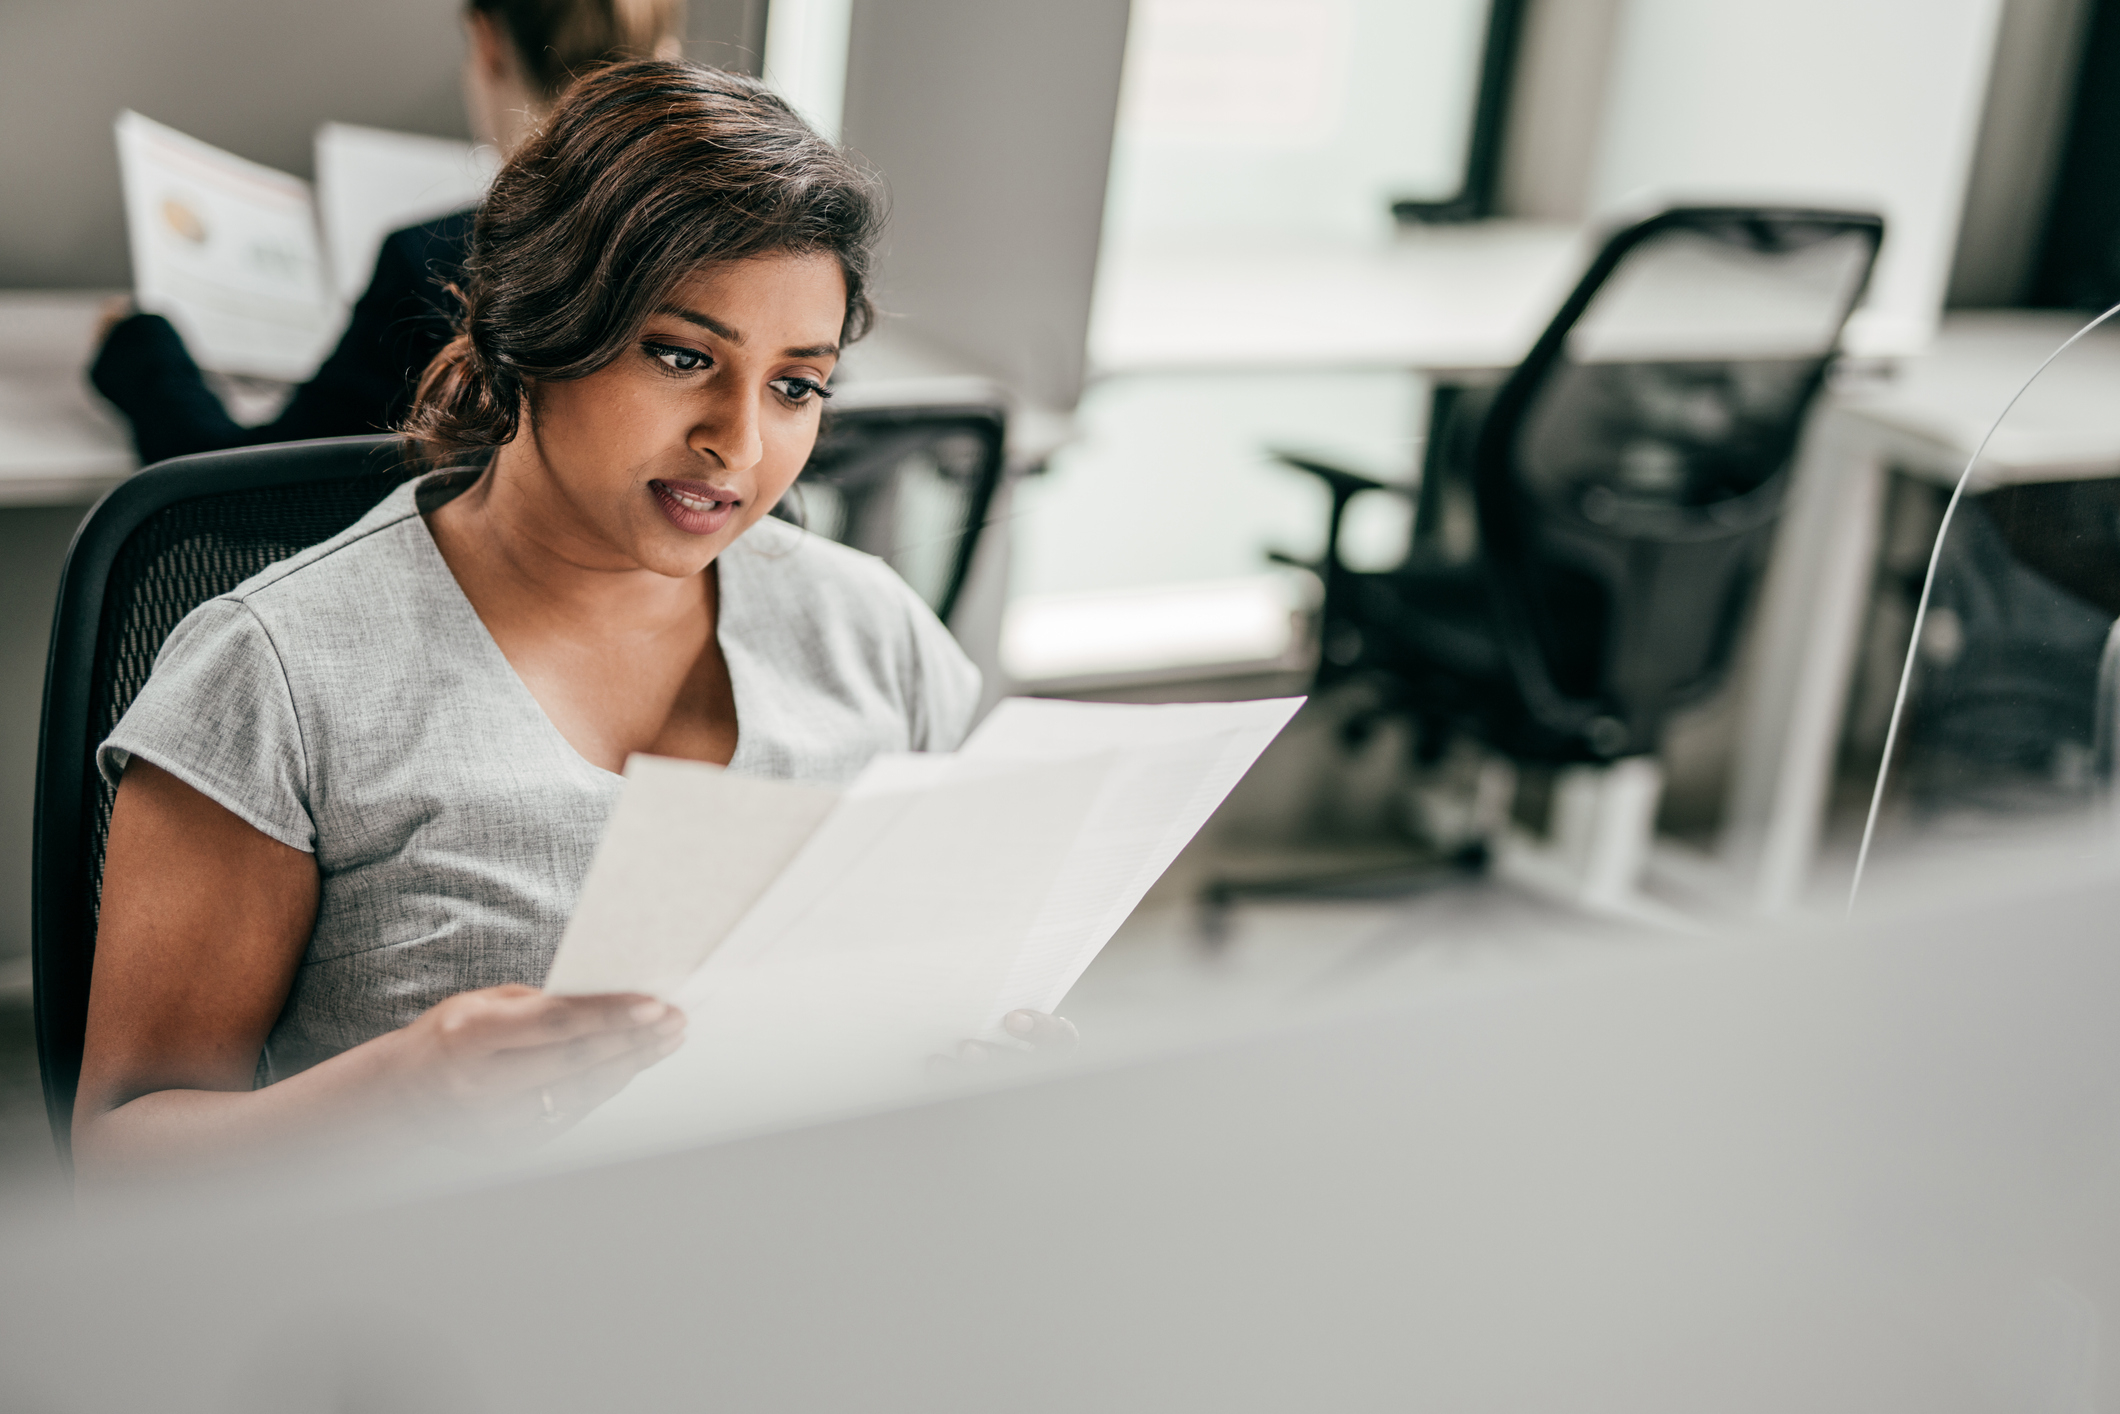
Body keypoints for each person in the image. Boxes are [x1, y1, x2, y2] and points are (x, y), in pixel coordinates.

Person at [72, 60, 1072, 1184]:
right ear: (533, 329)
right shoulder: (280, 673)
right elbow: (124, 1166)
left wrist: (993, 1063)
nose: (739, 445)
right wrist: (396, 1094)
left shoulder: (871, 634)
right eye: (682, 357)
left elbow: (946, 990)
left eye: (797, 385)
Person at [88, 0, 684, 467]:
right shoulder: (707, 251)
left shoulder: (436, 259)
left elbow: (248, 485)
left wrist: (141, 348)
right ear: (667, 51)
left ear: (485, 42)